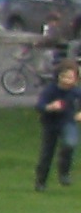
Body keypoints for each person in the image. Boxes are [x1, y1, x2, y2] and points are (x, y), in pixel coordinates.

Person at [36, 62, 75, 190]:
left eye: (71, 77)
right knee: (47, 154)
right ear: (58, 76)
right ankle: (40, 182)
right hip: (50, 124)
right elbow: (39, 105)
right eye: (64, 77)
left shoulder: (76, 91)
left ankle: (64, 172)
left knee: (70, 143)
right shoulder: (50, 90)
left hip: (67, 122)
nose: (67, 81)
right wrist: (50, 107)